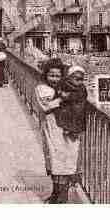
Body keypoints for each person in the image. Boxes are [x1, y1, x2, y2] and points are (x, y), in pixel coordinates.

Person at [35, 58, 82, 204]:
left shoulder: (64, 87)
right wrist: (64, 98)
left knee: (66, 159)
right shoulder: (42, 89)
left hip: (66, 128)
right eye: (51, 75)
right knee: (56, 160)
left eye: (58, 76)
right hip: (52, 128)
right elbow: (46, 106)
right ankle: (56, 194)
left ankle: (62, 196)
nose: (54, 79)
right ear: (45, 75)